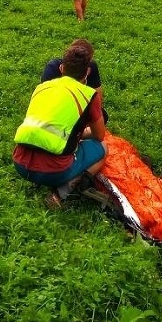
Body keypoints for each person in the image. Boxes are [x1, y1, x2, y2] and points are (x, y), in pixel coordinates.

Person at [12, 41, 107, 205]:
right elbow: (99, 135)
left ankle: (39, 179)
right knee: (103, 149)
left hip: (20, 164)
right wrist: (83, 134)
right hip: (54, 171)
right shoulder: (88, 95)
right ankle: (61, 193)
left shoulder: (42, 87)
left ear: (61, 69)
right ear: (88, 72)